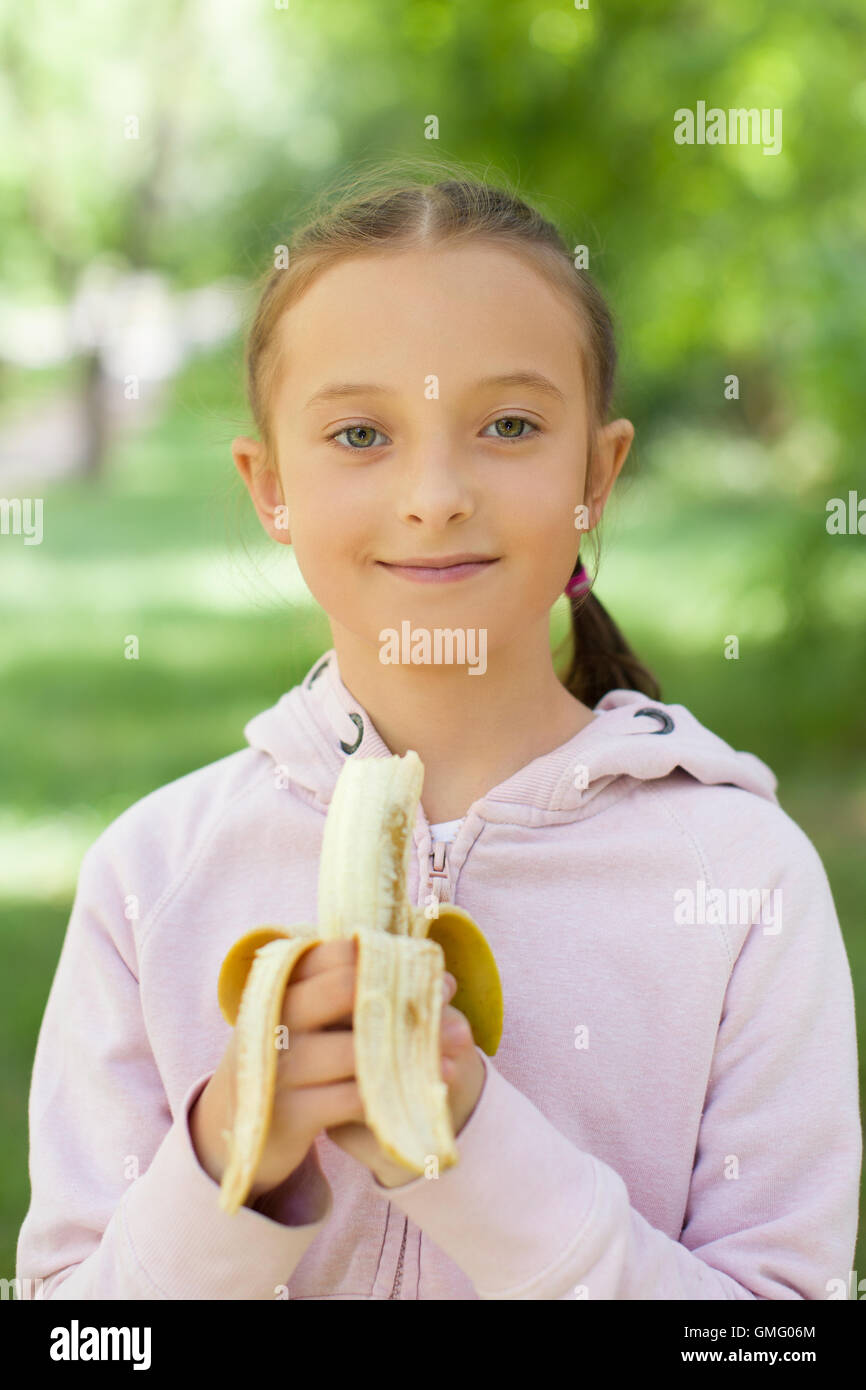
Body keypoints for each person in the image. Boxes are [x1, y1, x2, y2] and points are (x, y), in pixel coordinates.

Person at [16, 161, 861, 1300]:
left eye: (507, 424)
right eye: (360, 434)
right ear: (268, 487)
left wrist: (466, 1146)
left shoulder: (743, 885)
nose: (434, 493)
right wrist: (229, 1159)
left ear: (594, 477)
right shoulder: (148, 882)